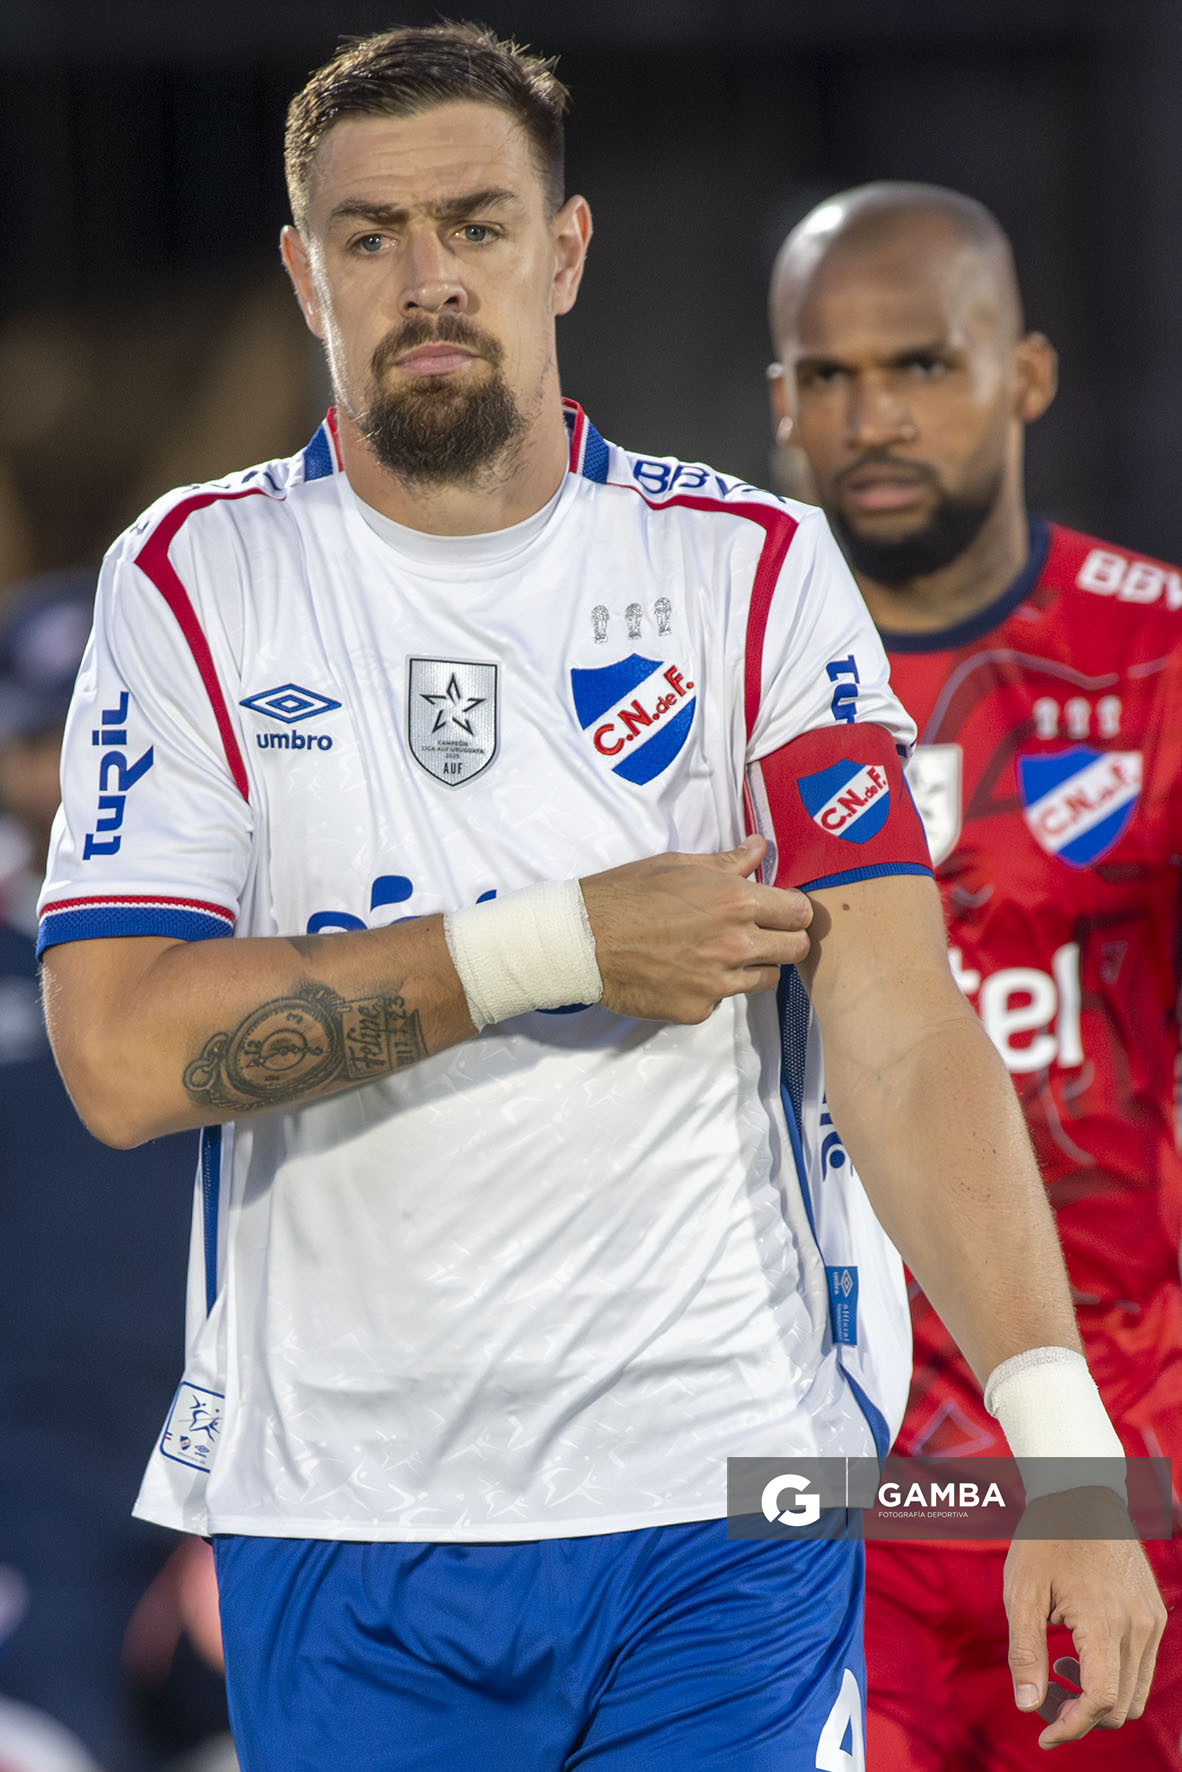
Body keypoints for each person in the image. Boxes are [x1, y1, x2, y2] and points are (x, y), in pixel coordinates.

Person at [38, 29, 1162, 1771]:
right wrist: (555, 945)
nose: (426, 280)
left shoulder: (751, 575)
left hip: (724, 1497)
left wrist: (1059, 1449)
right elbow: (117, 1051)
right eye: (370, 237)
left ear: (563, 247)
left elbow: (898, 1025)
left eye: (476, 226)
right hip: (344, 1510)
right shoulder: (199, 581)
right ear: (299, 270)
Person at [768, 180, 1182, 1770]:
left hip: (1111, 1484)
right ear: (779, 399)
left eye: (921, 366)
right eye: (826, 374)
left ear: (1025, 374)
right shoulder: (717, 679)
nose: (869, 416)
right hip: (808, 1494)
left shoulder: (1150, 667)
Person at [0, 576, 231, 1771]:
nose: (78, 769)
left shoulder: (263, 960)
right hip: (30, 1487)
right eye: (46, 736)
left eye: (110, 730)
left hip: (234, 1470)